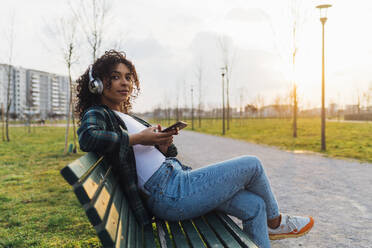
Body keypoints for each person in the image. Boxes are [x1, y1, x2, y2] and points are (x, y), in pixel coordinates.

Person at [76, 50, 314, 248]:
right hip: (169, 192)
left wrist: (162, 144)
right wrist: (138, 138)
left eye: (128, 77)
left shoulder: (127, 116)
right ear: (97, 84)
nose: (125, 82)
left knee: (255, 206)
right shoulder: (98, 113)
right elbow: (88, 138)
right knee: (252, 164)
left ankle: (270, 221)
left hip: (175, 182)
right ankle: (276, 223)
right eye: (115, 77)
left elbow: (159, 155)